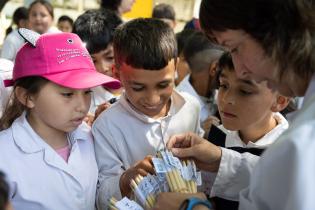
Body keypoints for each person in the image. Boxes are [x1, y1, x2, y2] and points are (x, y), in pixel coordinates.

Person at [155, 0, 315, 209]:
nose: (240, 70)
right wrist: (220, 161)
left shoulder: (301, 141)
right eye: (223, 85)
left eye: (235, 48)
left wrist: (192, 207)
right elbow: (276, 180)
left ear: (276, 33)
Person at [0, 29, 120, 210]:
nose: (82, 106)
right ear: (27, 96)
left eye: (87, 92)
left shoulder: (89, 137)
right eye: (67, 94)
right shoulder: (5, 155)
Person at [92, 18, 203, 210]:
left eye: (163, 85)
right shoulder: (106, 126)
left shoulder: (191, 108)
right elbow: (101, 195)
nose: (152, 99)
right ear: (117, 74)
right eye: (138, 87)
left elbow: (200, 169)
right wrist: (126, 179)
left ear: (176, 67)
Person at [201, 52, 289, 210]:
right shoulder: (216, 136)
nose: (227, 99)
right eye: (224, 85)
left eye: (245, 91)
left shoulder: (289, 151)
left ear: (280, 100)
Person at [73, 9, 123, 120]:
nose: (103, 68)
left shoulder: (141, 87)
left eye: (110, 57)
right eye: (93, 60)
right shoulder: (81, 105)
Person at [176, 31, 223, 126]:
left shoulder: (219, 97)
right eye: (225, 65)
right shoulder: (178, 107)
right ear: (215, 68)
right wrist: (200, 133)